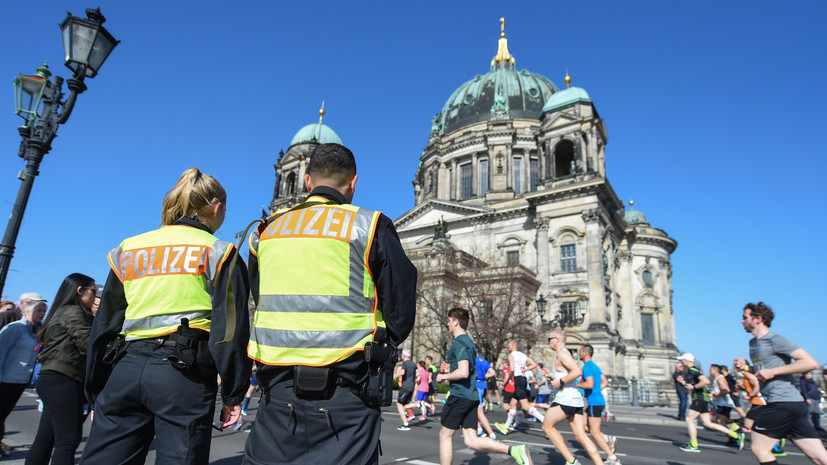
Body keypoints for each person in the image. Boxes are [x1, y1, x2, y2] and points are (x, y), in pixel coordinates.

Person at [243, 143, 417, 465]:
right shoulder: (370, 225)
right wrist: (378, 346)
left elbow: (261, 298)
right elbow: (401, 308)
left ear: (307, 181)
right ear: (353, 183)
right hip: (348, 392)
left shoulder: (266, 232)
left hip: (278, 392)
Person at [82, 167, 251, 465]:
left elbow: (106, 323)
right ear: (217, 208)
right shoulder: (221, 251)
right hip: (183, 374)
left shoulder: (129, 248)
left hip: (125, 367)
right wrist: (234, 394)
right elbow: (230, 330)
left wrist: (95, 387)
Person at [435, 307, 532, 465]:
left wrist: (443, 376)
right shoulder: (470, 343)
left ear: (455, 322)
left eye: (449, 321)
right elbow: (468, 371)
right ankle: (513, 450)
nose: (447, 324)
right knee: (472, 441)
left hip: (460, 396)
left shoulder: (460, 343)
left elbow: (464, 372)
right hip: (471, 396)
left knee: (444, 436)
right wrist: (450, 369)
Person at [741, 301, 827, 464]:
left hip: (782, 402)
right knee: (819, 457)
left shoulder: (775, 340)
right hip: (791, 404)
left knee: (760, 449)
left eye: (745, 317)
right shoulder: (753, 344)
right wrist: (747, 368)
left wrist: (772, 372)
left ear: (758, 319)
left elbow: (810, 363)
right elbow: (764, 369)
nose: (742, 321)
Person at [25, 274, 96, 465]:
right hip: (64, 378)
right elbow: (87, 344)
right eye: (93, 292)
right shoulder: (73, 312)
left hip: (52, 378)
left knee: (45, 440)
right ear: (80, 290)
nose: (95, 297)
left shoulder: (61, 311)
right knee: (67, 442)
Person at [541, 329, 603, 465]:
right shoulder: (564, 353)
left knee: (547, 427)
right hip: (575, 400)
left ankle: (571, 461)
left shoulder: (562, 353)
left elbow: (577, 371)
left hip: (565, 399)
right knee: (581, 435)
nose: (548, 342)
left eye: (549, 339)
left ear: (557, 339)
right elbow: (566, 374)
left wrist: (560, 382)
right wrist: (551, 376)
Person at [0, 300, 46, 455]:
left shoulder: (36, 330)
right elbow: (1, 350)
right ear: (27, 311)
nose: (42, 313)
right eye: (39, 310)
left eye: (44, 311)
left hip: (20, 380)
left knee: (3, 414)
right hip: (6, 378)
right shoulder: (16, 328)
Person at [675, 353, 743, 453]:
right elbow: (695, 384)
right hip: (703, 399)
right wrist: (684, 383)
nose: (680, 362)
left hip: (699, 399)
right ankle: (736, 435)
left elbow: (705, 381)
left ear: (686, 360)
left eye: (682, 360)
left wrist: (694, 387)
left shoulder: (693, 370)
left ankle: (694, 445)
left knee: (689, 419)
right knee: (708, 423)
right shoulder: (694, 371)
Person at [577, 344, 620, 464]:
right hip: (596, 401)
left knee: (595, 432)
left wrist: (575, 385)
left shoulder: (587, 367)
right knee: (582, 426)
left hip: (594, 402)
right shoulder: (595, 366)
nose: (579, 353)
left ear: (585, 353)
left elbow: (589, 384)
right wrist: (595, 390)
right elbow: (605, 382)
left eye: (580, 351)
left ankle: (612, 458)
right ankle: (607, 438)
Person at [495, 340, 543, 434]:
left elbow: (512, 369)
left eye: (509, 345)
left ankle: (544, 420)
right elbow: (533, 364)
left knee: (525, 405)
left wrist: (509, 377)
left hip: (518, 379)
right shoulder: (522, 355)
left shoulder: (511, 355)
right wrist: (525, 369)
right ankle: (506, 426)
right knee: (513, 403)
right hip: (523, 379)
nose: (508, 347)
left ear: (512, 346)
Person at [474, 350, 498, 440]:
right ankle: (480, 430)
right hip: (483, 385)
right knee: (473, 410)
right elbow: (492, 373)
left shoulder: (472, 360)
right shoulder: (483, 361)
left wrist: (479, 375)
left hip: (475, 386)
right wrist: (483, 376)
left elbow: (474, 374)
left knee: (478, 412)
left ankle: (491, 434)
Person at [395, 349, 419, 430]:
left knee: (399, 404)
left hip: (405, 386)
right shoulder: (413, 363)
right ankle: (418, 405)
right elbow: (418, 374)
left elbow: (402, 372)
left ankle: (405, 424)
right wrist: (414, 381)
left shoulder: (405, 363)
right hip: (411, 386)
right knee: (404, 405)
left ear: (404, 355)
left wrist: (395, 376)